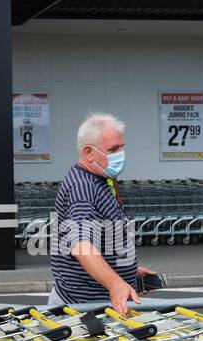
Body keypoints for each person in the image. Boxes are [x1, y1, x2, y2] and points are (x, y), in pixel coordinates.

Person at [48, 113, 158, 315]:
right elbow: (81, 245)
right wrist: (115, 283)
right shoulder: (83, 188)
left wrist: (127, 270)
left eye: (122, 146)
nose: (121, 153)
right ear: (89, 152)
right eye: (114, 149)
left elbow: (102, 238)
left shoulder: (100, 180)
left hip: (95, 305)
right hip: (83, 309)